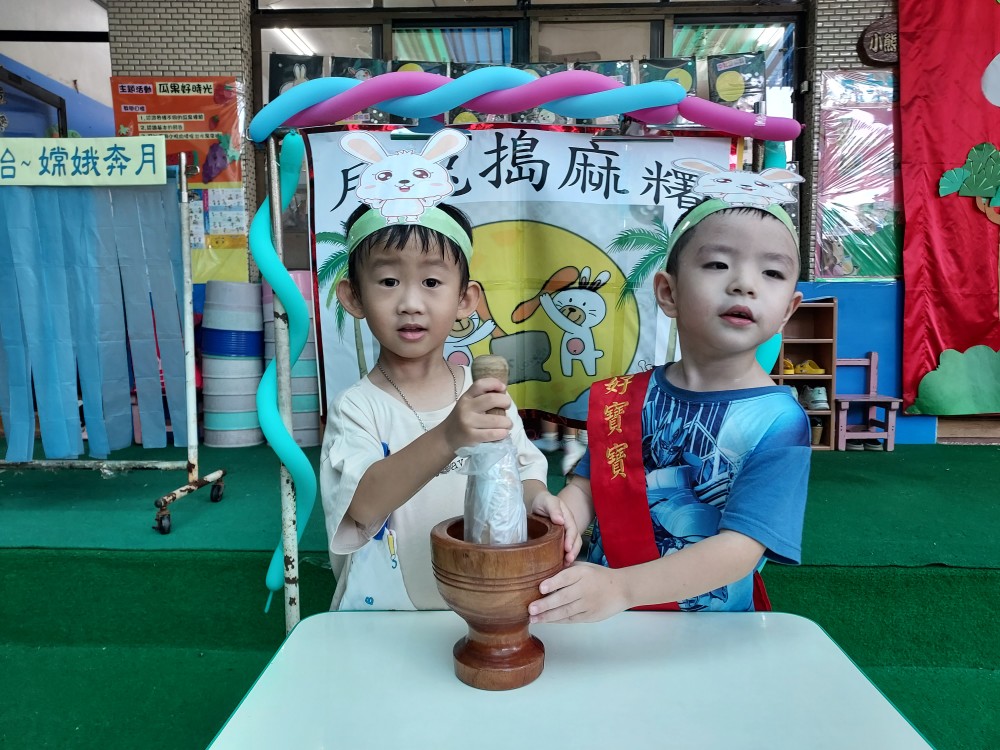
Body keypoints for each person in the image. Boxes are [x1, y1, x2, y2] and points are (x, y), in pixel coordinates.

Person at [530, 197, 811, 622]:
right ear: (668, 292)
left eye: (772, 272)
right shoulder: (627, 396)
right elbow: (590, 489)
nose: (744, 284)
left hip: (710, 631)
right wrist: (560, 519)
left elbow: (741, 549)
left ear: (788, 310)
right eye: (718, 264)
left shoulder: (780, 421)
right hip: (608, 618)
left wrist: (621, 588)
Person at [320, 202, 552, 611]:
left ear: (465, 298)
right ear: (353, 297)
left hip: (480, 607)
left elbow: (522, 469)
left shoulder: (481, 393)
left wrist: (538, 499)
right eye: (388, 281)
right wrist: (448, 436)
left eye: (431, 281)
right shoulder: (356, 408)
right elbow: (363, 505)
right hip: (390, 616)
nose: (410, 302)